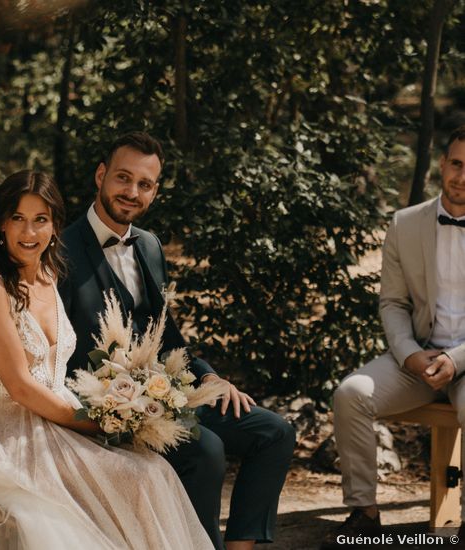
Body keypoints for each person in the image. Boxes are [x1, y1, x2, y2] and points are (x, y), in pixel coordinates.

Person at [0, 170, 213, 549]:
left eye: (40, 220)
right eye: (18, 219)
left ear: (55, 225)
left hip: (59, 415)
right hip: (13, 428)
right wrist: (94, 424)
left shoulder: (47, 273)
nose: (29, 232)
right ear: (1, 224)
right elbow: (22, 386)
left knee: (155, 472)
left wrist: (117, 405)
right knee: (137, 480)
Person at [59, 131, 296, 550]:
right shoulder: (60, 250)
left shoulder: (148, 245)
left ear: (155, 191)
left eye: (144, 184)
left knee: (274, 432)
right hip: (101, 411)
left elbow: (165, 337)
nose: (132, 192)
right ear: (101, 175)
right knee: (206, 450)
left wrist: (209, 378)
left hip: (163, 396)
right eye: (123, 178)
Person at [325, 125, 465, 545]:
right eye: (457, 164)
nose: (463, 176)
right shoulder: (406, 224)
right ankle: (364, 512)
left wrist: (456, 360)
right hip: (418, 357)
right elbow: (393, 303)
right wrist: (409, 355)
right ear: (442, 165)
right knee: (352, 393)